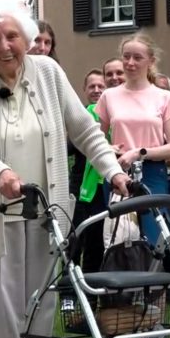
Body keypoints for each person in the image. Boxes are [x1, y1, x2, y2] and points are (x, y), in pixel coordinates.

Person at [0, 0, 128, 338]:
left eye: (12, 35)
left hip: (47, 209)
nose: (4, 45)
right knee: (5, 304)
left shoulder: (49, 73)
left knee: (42, 301)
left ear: (27, 38)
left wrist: (113, 172)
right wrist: (0, 173)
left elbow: (84, 129)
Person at [95, 32, 170, 245]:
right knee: (119, 239)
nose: (130, 63)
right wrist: (109, 147)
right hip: (118, 173)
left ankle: (154, 279)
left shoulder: (164, 97)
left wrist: (139, 152)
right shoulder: (109, 96)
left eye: (137, 58)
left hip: (152, 172)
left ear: (151, 61)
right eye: (126, 57)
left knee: (154, 238)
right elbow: (96, 138)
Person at [71, 68, 106, 273]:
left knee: (96, 241)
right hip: (80, 185)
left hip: (102, 186)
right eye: (92, 86)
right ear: (84, 90)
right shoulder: (79, 116)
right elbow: (68, 146)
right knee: (74, 238)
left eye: (100, 86)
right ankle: (69, 293)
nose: (96, 90)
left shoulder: (112, 115)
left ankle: (91, 293)